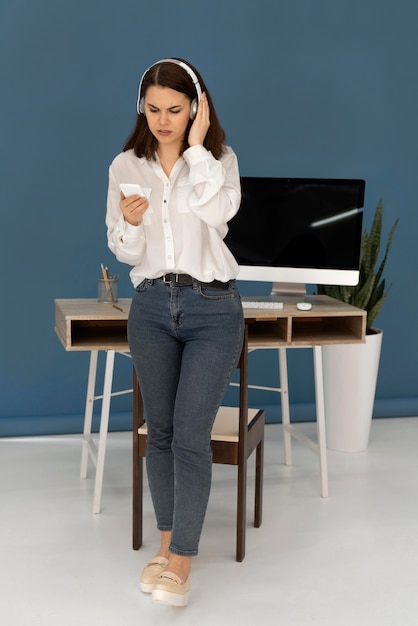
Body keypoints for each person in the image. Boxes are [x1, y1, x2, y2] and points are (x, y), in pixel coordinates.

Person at [106, 58, 244, 607]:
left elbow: (221, 215)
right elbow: (122, 249)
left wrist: (197, 148)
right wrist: (132, 224)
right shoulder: (124, 165)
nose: (163, 120)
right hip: (150, 308)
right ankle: (165, 548)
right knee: (158, 433)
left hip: (213, 308)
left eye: (176, 110)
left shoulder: (218, 161)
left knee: (191, 433)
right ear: (143, 107)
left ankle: (182, 560)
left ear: (197, 108)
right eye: (155, 109)